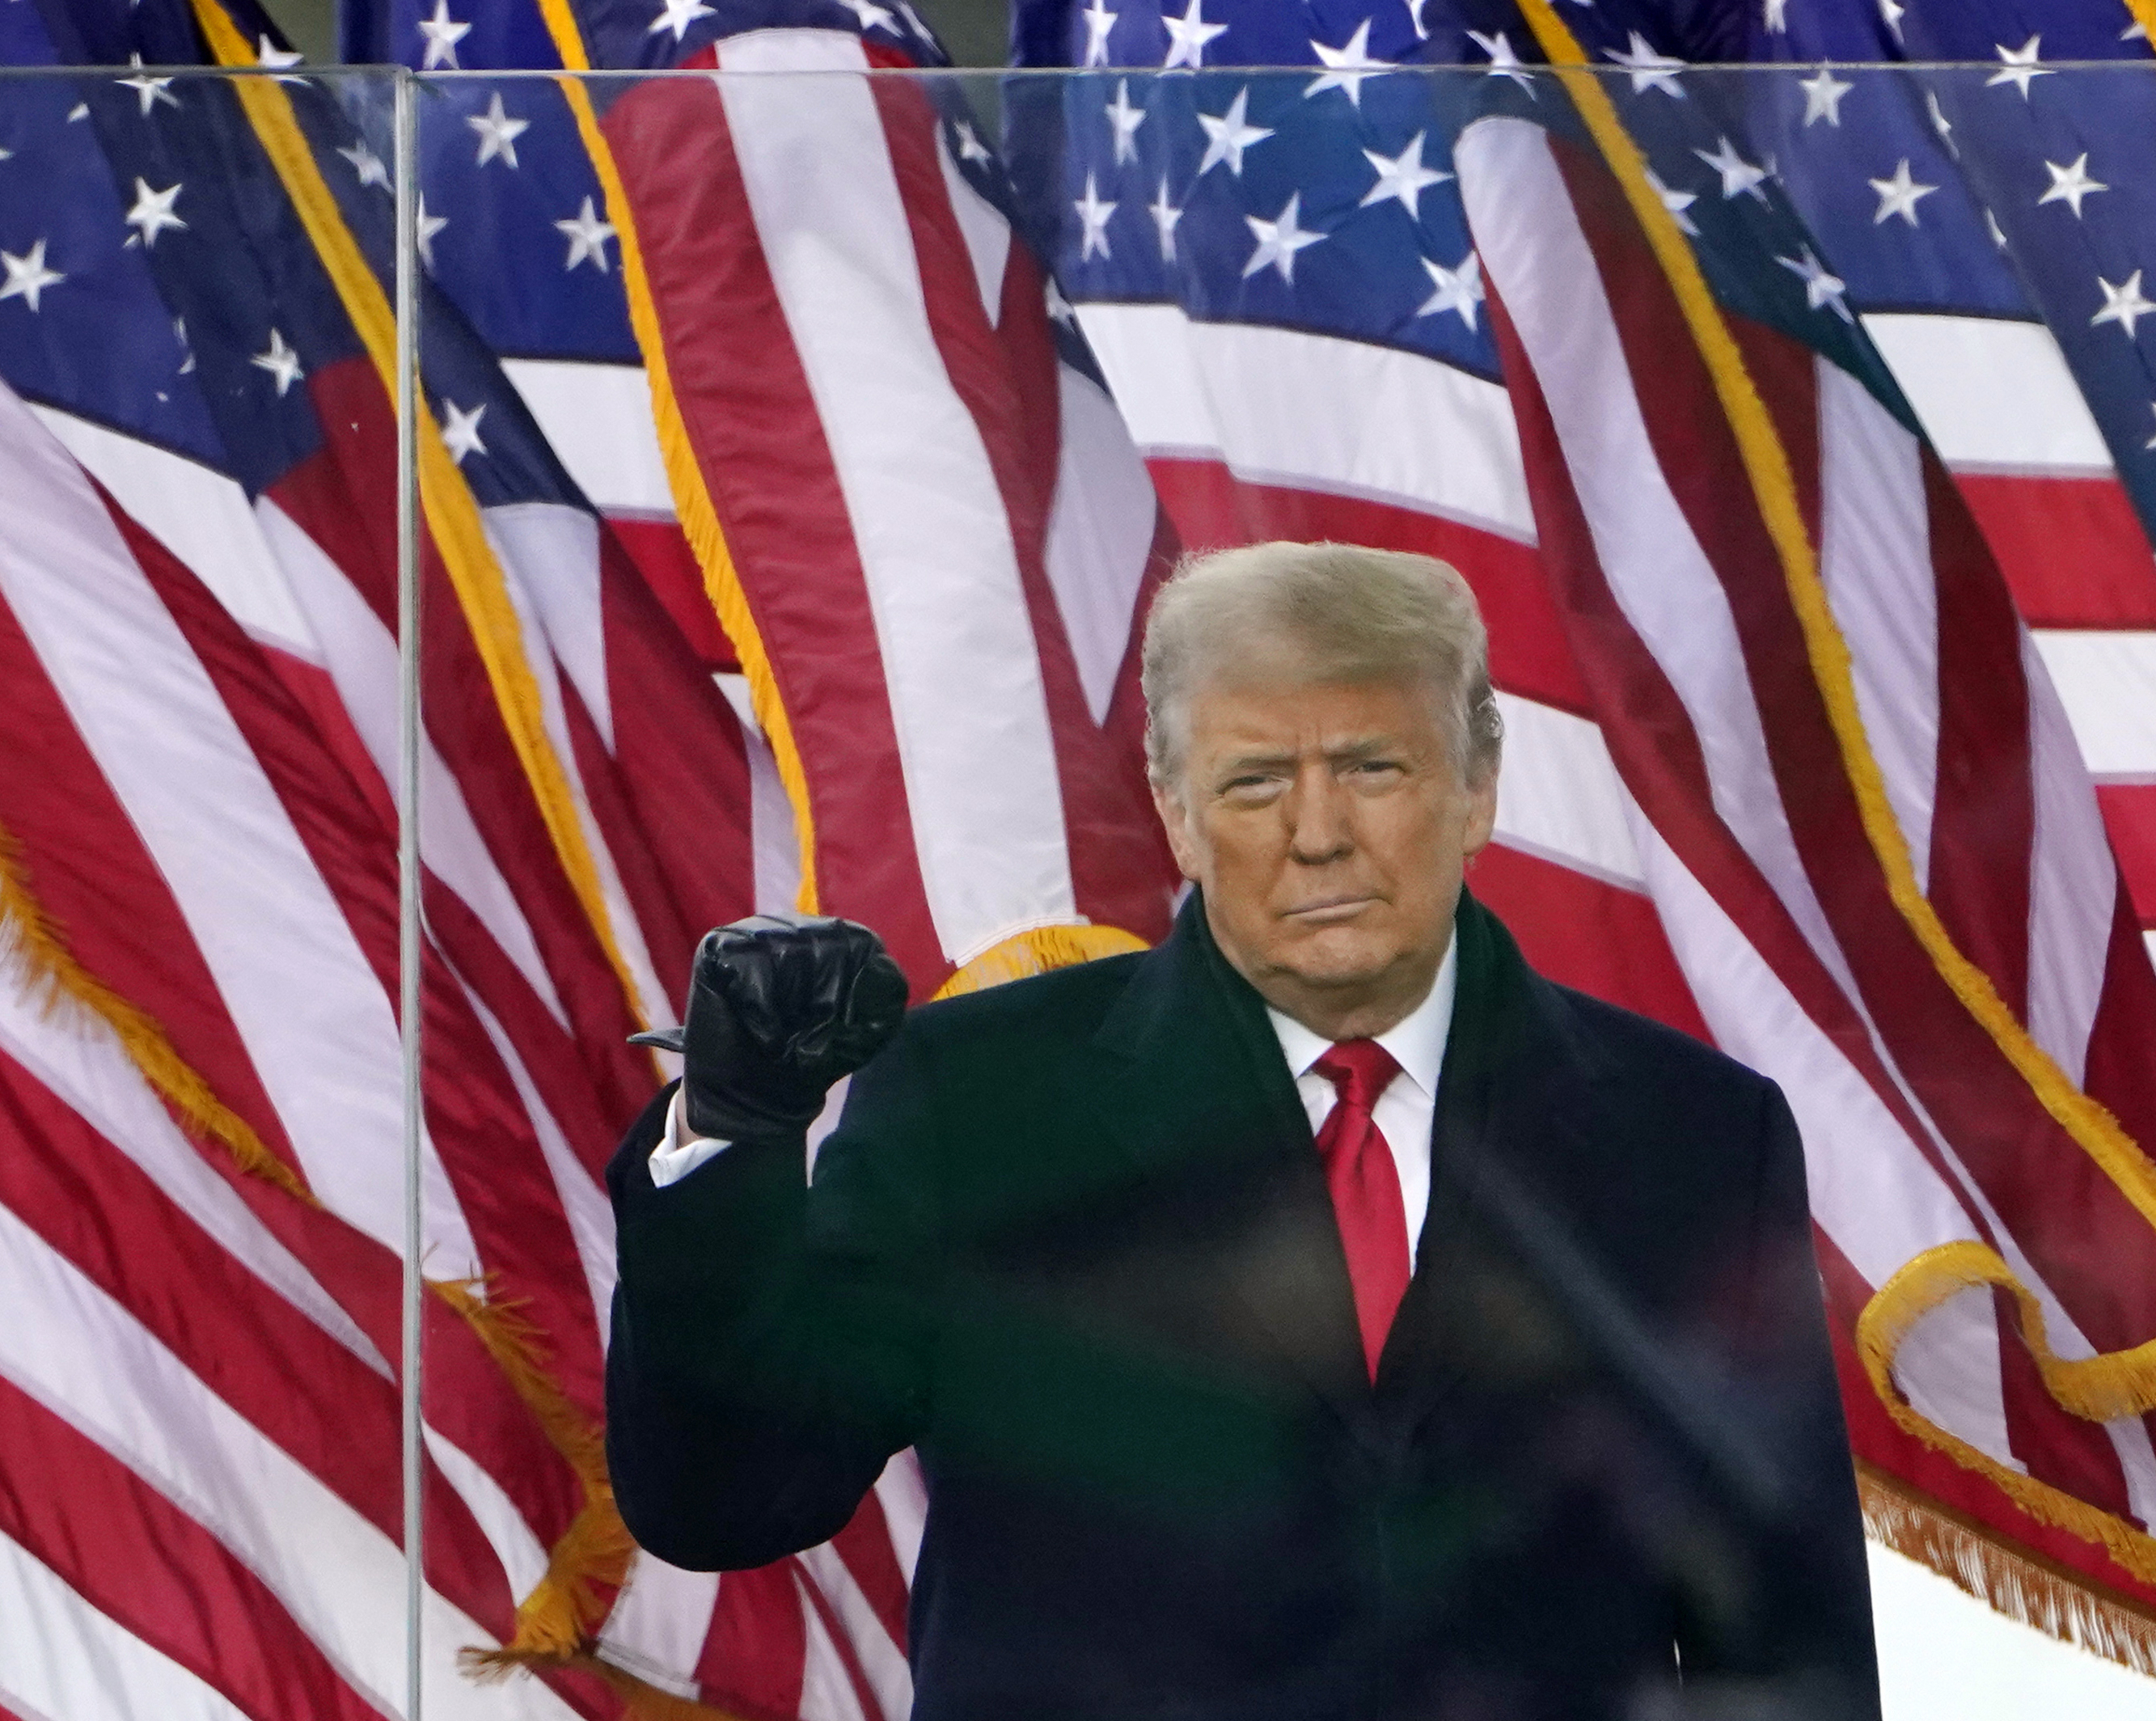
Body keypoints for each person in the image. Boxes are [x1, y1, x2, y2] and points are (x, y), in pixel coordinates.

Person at [605, 542, 1878, 1720]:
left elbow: (1777, 1637)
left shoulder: (1691, 1130)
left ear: (1478, 785)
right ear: (1174, 810)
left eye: (1372, 767)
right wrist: (735, 1129)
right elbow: (727, 1496)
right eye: (1255, 780)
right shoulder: (979, 1101)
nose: (1317, 835)